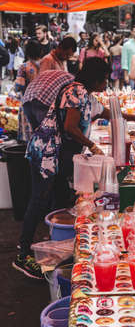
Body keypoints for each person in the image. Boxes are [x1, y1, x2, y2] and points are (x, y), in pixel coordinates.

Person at [13, 58, 109, 279]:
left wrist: (132, 117)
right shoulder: (77, 91)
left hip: (52, 151)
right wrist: (92, 146)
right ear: (96, 79)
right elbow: (70, 127)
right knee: (38, 198)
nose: (105, 85)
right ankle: (23, 252)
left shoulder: (81, 91)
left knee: (55, 194)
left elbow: (101, 112)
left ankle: (54, 245)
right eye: (104, 80)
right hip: (45, 152)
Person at [14, 39, 41, 142]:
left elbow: (18, 86)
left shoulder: (24, 67)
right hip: (44, 104)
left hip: (28, 103)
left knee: (29, 132)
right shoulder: (46, 65)